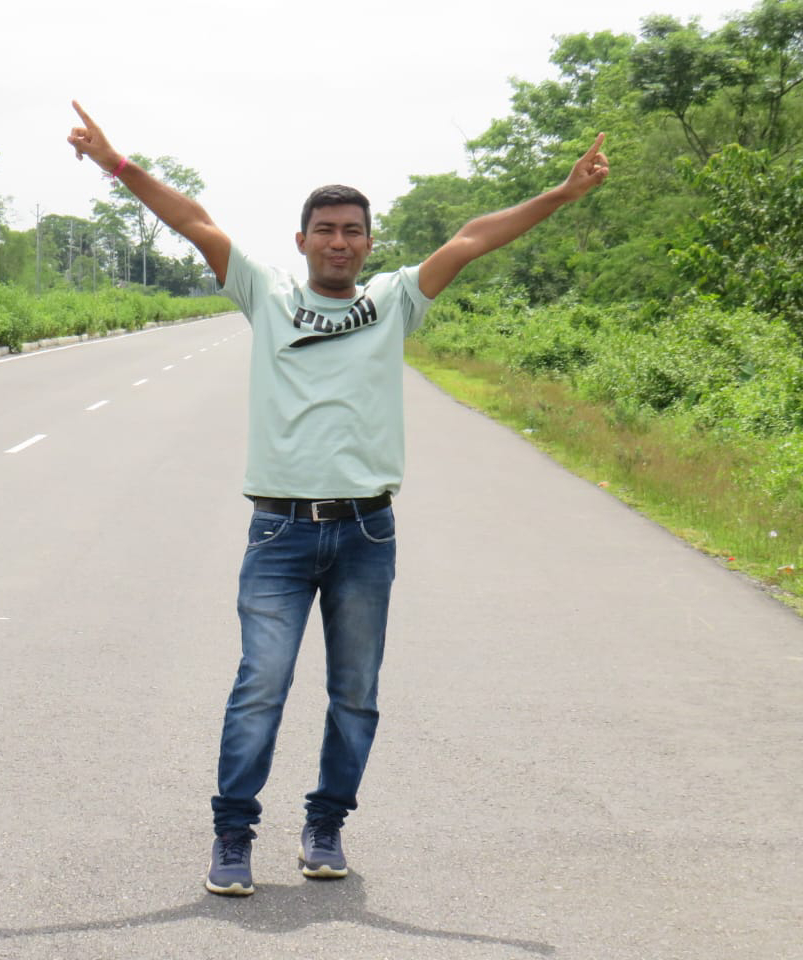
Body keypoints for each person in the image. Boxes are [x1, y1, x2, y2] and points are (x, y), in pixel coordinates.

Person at [67, 101, 609, 896]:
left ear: (368, 242)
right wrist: (116, 164)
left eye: (353, 230)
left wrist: (562, 194)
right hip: (279, 532)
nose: (339, 241)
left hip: (366, 533)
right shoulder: (266, 293)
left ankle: (325, 826)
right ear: (301, 241)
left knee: (356, 695)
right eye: (324, 229)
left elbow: (472, 238)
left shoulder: (394, 299)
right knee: (261, 685)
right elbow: (192, 220)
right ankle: (232, 835)